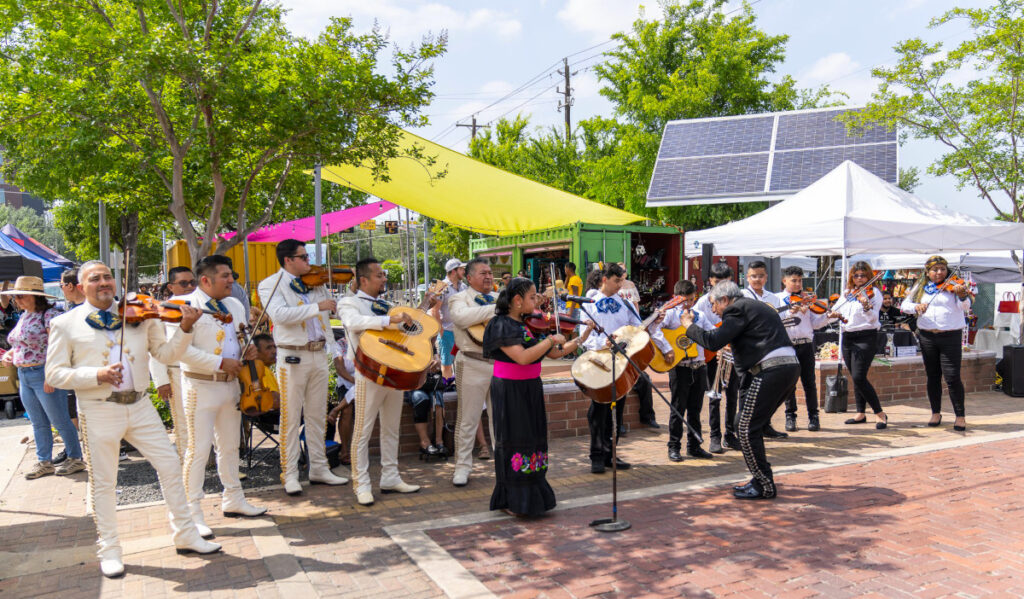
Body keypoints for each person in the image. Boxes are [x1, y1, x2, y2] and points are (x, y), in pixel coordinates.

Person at [45, 261, 220, 578]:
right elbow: (55, 374)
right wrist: (96, 374)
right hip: (98, 408)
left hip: (140, 406)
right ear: (81, 287)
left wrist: (184, 330)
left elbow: (166, 356)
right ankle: (110, 549)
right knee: (104, 482)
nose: (104, 282)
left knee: (169, 464)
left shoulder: (140, 314)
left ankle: (185, 533)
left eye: (108, 276)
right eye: (95, 278)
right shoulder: (65, 324)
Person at [680, 281, 799, 500]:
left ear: (725, 300)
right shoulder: (753, 306)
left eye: (714, 304)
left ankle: (764, 484)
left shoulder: (736, 309)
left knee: (745, 427)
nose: (714, 311)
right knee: (745, 424)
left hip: (771, 371)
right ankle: (760, 476)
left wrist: (689, 326)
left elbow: (712, 340)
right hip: (784, 368)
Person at [483, 277, 592, 516]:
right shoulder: (501, 324)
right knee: (514, 440)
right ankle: (513, 499)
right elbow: (522, 357)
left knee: (533, 439)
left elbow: (554, 353)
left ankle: (533, 494)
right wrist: (552, 338)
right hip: (510, 389)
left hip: (530, 386)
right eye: (532, 297)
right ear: (517, 300)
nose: (537, 301)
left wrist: (581, 339)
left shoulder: (528, 324)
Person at [175, 255, 267, 537]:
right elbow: (178, 350)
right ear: (206, 280)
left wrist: (248, 350)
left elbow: (241, 337)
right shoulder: (184, 306)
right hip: (200, 386)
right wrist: (219, 363)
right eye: (225, 276)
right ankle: (192, 512)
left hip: (231, 386)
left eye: (231, 275)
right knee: (198, 450)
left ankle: (234, 498)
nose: (232, 281)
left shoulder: (235, 305)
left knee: (229, 446)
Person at [257, 239, 349, 495]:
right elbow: (280, 315)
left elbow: (328, 312)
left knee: (317, 414)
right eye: (304, 257)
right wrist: (316, 307)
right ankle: (290, 473)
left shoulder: (315, 284)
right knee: (290, 416)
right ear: (288, 260)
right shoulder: (270, 284)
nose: (309, 262)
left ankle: (319, 467)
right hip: (292, 356)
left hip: (318, 352)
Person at [339, 257, 430, 506]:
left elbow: (399, 335)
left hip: (394, 372)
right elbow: (351, 323)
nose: (384, 279)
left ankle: (390, 476)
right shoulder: (349, 302)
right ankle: (361, 483)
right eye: (379, 275)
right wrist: (389, 320)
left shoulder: (387, 304)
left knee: (391, 427)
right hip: (367, 372)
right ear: (364, 280)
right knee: (363, 429)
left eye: (383, 275)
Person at [581, 263, 670, 473]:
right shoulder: (590, 302)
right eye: (617, 280)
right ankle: (596, 455)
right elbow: (583, 334)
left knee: (616, 411)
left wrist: (654, 321)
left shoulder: (624, 303)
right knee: (598, 409)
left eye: (623, 280)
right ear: (605, 279)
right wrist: (600, 345)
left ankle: (610, 453)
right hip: (598, 360)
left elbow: (638, 327)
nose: (621, 285)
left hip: (620, 362)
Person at [1, 276, 85, 478]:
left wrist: (51, 375)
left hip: (43, 373)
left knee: (60, 420)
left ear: (34, 297)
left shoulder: (49, 315)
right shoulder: (25, 315)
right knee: (38, 422)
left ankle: (75, 458)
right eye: (15, 297)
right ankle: (44, 461)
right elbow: (21, 343)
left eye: (20, 296)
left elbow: (59, 347)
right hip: (25, 374)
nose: (17, 301)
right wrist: (12, 353)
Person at [901, 256, 972, 431]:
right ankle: (935, 412)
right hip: (927, 336)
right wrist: (916, 307)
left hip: (950, 336)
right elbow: (904, 305)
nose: (939, 272)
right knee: (932, 376)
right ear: (927, 272)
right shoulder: (920, 287)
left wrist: (962, 295)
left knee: (952, 376)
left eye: (942, 269)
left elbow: (966, 307)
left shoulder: (954, 285)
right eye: (935, 269)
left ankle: (960, 415)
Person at [448, 258, 498, 487]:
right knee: (467, 419)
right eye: (483, 273)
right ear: (469, 278)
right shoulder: (459, 298)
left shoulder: (500, 297)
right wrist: (496, 310)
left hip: (499, 363)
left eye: (490, 273)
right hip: (471, 361)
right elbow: (461, 317)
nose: (488, 276)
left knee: (500, 418)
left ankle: (503, 463)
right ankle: (462, 467)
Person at [828, 261, 888, 429]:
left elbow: (873, 319)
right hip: (847, 336)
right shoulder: (848, 293)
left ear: (869, 276)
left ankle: (879, 413)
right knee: (855, 375)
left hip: (866, 336)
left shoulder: (874, 292)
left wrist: (866, 306)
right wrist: (831, 314)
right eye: (856, 275)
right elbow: (838, 310)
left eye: (863, 275)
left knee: (859, 376)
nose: (860, 278)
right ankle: (861, 413)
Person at [659, 280, 712, 461]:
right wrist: (667, 348)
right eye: (683, 301)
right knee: (678, 408)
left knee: (695, 409)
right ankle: (673, 447)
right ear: (676, 298)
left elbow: (711, 333)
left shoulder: (701, 316)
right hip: (680, 367)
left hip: (699, 365)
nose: (687, 304)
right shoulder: (670, 315)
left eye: (690, 300)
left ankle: (694, 446)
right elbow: (655, 331)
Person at [149, 266, 196, 462]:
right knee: (184, 421)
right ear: (171, 286)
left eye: (192, 282)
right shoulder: (162, 310)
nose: (189, 287)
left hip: (203, 370)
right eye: (183, 283)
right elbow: (155, 347)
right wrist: (161, 380)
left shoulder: (201, 305)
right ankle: (188, 465)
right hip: (176, 372)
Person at [776, 266, 828, 432]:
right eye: (794, 281)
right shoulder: (777, 299)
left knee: (809, 382)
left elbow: (816, 323)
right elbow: (775, 320)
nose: (798, 284)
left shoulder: (807, 300)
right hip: (788, 345)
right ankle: (790, 416)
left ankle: (814, 416)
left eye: (800, 281)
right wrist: (790, 312)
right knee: (789, 383)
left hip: (806, 344)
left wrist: (828, 317)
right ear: (785, 281)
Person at [741, 260, 788, 440]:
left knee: (767, 390)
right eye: (754, 276)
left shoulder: (774, 299)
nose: (757, 279)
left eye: (761, 276)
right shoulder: (742, 296)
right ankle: (744, 426)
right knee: (746, 388)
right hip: (750, 349)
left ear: (766, 277)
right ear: (747, 277)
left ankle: (765, 424)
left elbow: (781, 322)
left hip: (769, 350)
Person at [696, 262, 740, 454]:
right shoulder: (703, 302)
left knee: (733, 395)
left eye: (725, 281)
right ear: (710, 281)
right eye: (717, 281)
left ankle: (730, 434)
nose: (720, 284)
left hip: (733, 353)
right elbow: (700, 328)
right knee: (715, 396)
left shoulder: (736, 299)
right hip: (713, 354)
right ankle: (715, 436)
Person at [432, 258, 467, 381]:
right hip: (447, 331)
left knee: (462, 363)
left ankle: (459, 389)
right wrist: (441, 331)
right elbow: (434, 310)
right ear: (453, 271)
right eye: (461, 269)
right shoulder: (441, 287)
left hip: (461, 332)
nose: (464, 271)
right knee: (446, 364)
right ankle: (447, 387)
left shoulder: (463, 286)